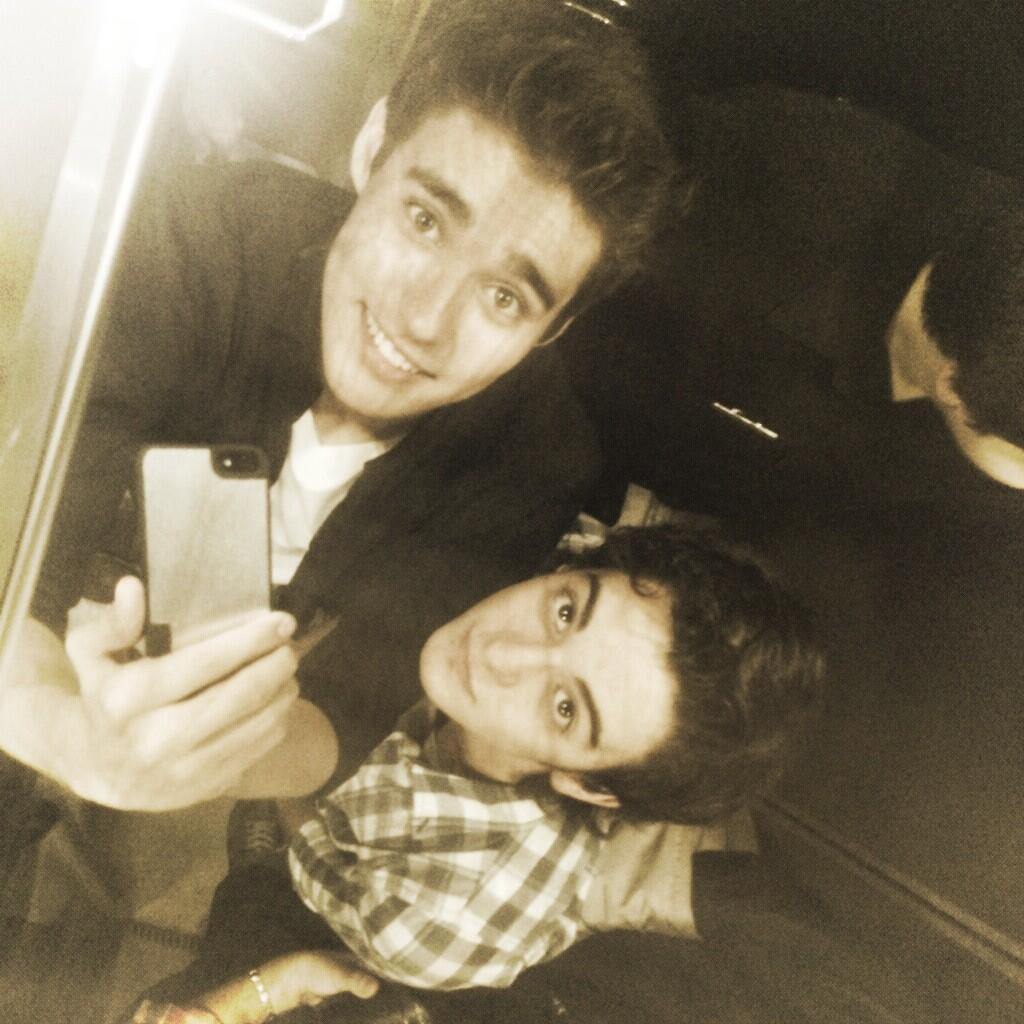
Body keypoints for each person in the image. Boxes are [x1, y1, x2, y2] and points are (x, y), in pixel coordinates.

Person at [1, 0, 675, 813]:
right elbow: (19, 537)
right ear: (370, 147)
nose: (424, 319)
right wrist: (77, 741)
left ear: (552, 328)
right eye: (424, 221)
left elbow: (343, 713)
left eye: (504, 297)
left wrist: (190, 756)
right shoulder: (211, 237)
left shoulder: (535, 455)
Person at [120, 522, 824, 1021]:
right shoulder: (471, 604)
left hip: (321, 905)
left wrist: (269, 785)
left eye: (565, 708)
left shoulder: (433, 917)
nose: (501, 653)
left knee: (254, 886)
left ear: (586, 783)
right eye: (566, 611)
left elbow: (312, 861)